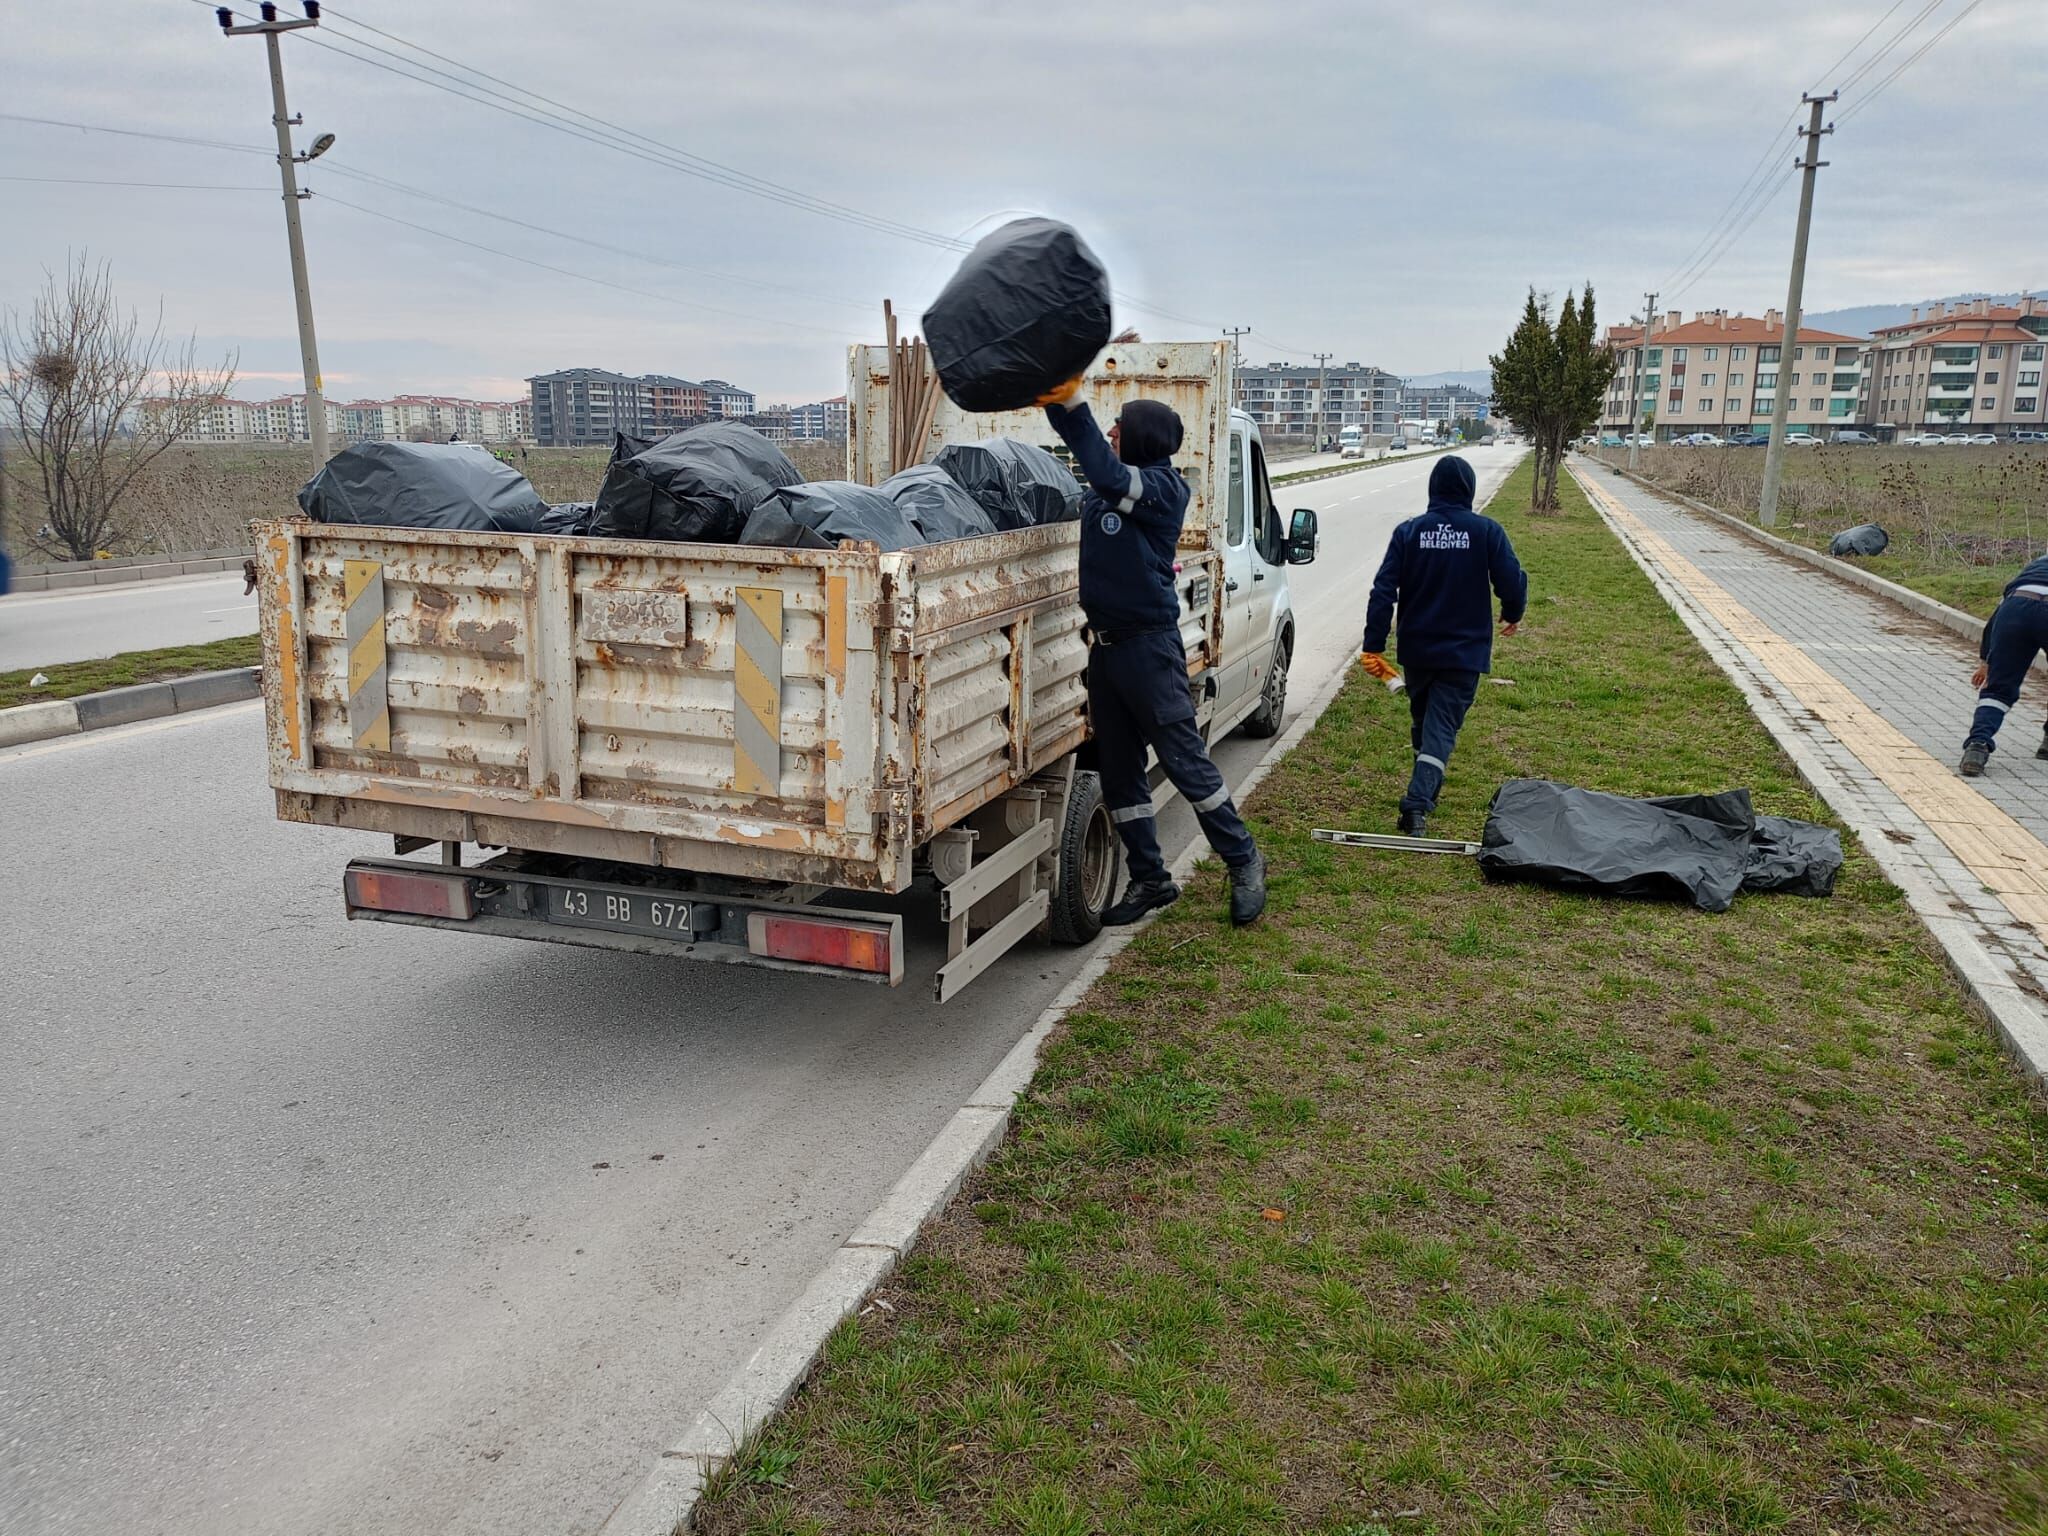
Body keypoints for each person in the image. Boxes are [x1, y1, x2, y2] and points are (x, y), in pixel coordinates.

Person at [1044, 390, 1266, 926]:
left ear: (1143, 437)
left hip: (1149, 648)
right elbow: (1094, 463)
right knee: (1120, 773)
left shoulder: (1163, 488)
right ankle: (1150, 879)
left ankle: (1244, 860)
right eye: (1111, 426)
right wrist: (1053, 394)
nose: (1113, 433)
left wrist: (1073, 404)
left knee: (1184, 762)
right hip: (1107, 651)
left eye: (1120, 426)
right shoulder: (1110, 491)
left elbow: (1104, 468)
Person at [1360, 454, 1527, 835]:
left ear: (1432, 489)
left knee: (1425, 723)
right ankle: (1417, 804)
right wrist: (1513, 612)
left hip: (1417, 649)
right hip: (1464, 652)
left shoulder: (1409, 532)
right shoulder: (1486, 532)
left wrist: (1374, 642)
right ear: (1468, 490)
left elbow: (1383, 589)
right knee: (1439, 729)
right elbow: (1512, 581)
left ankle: (1426, 791)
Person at [1958, 554, 2048, 776]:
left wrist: (1986, 662)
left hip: (2015, 607)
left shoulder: (2035, 565)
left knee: (1998, 689)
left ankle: (1977, 746)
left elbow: (1995, 619)